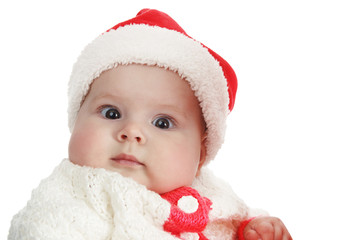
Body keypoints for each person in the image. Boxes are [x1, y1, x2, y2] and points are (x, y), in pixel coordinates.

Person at [8, 9, 292, 240]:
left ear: (202, 151)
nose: (131, 132)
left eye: (162, 122)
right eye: (111, 113)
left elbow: (234, 220)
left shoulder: (214, 194)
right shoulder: (67, 200)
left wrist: (254, 230)